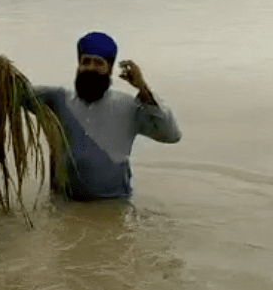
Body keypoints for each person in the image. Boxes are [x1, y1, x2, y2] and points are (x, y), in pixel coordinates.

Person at [33, 31, 181, 201]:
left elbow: (171, 135)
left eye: (98, 63)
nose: (90, 68)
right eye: (85, 61)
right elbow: (13, 93)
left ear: (109, 69)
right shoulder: (57, 99)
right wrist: (0, 69)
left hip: (114, 203)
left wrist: (143, 89)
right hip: (64, 201)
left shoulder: (129, 107)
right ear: (78, 65)